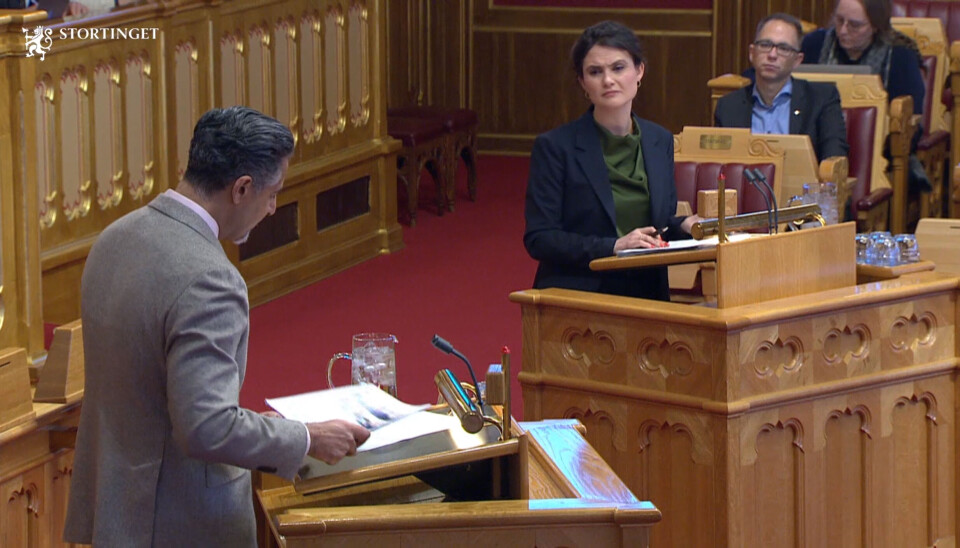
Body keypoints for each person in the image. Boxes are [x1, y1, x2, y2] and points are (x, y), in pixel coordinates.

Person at [63, 106, 371, 547]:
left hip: (114, 514)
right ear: (242, 188)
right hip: (181, 524)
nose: (273, 207)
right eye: (273, 192)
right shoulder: (210, 278)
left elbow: (147, 388)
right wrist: (307, 437)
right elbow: (205, 426)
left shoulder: (114, 238)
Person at [524, 20, 699, 301]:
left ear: (639, 71)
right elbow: (540, 238)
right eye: (595, 72)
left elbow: (657, 224)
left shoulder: (659, 140)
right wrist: (614, 245)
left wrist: (686, 226)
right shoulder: (555, 146)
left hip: (647, 289)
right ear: (583, 82)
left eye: (618, 68)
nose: (608, 80)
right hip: (580, 290)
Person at [715, 13, 849, 163]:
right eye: (765, 45)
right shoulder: (728, 106)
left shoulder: (821, 99)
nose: (772, 55)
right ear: (752, 53)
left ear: (797, 60)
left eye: (784, 48)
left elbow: (835, 159)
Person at [801, 0, 925, 117]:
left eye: (855, 25)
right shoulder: (815, 44)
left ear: (876, 26)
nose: (843, 31)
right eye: (839, 20)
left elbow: (911, 118)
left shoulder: (900, 56)